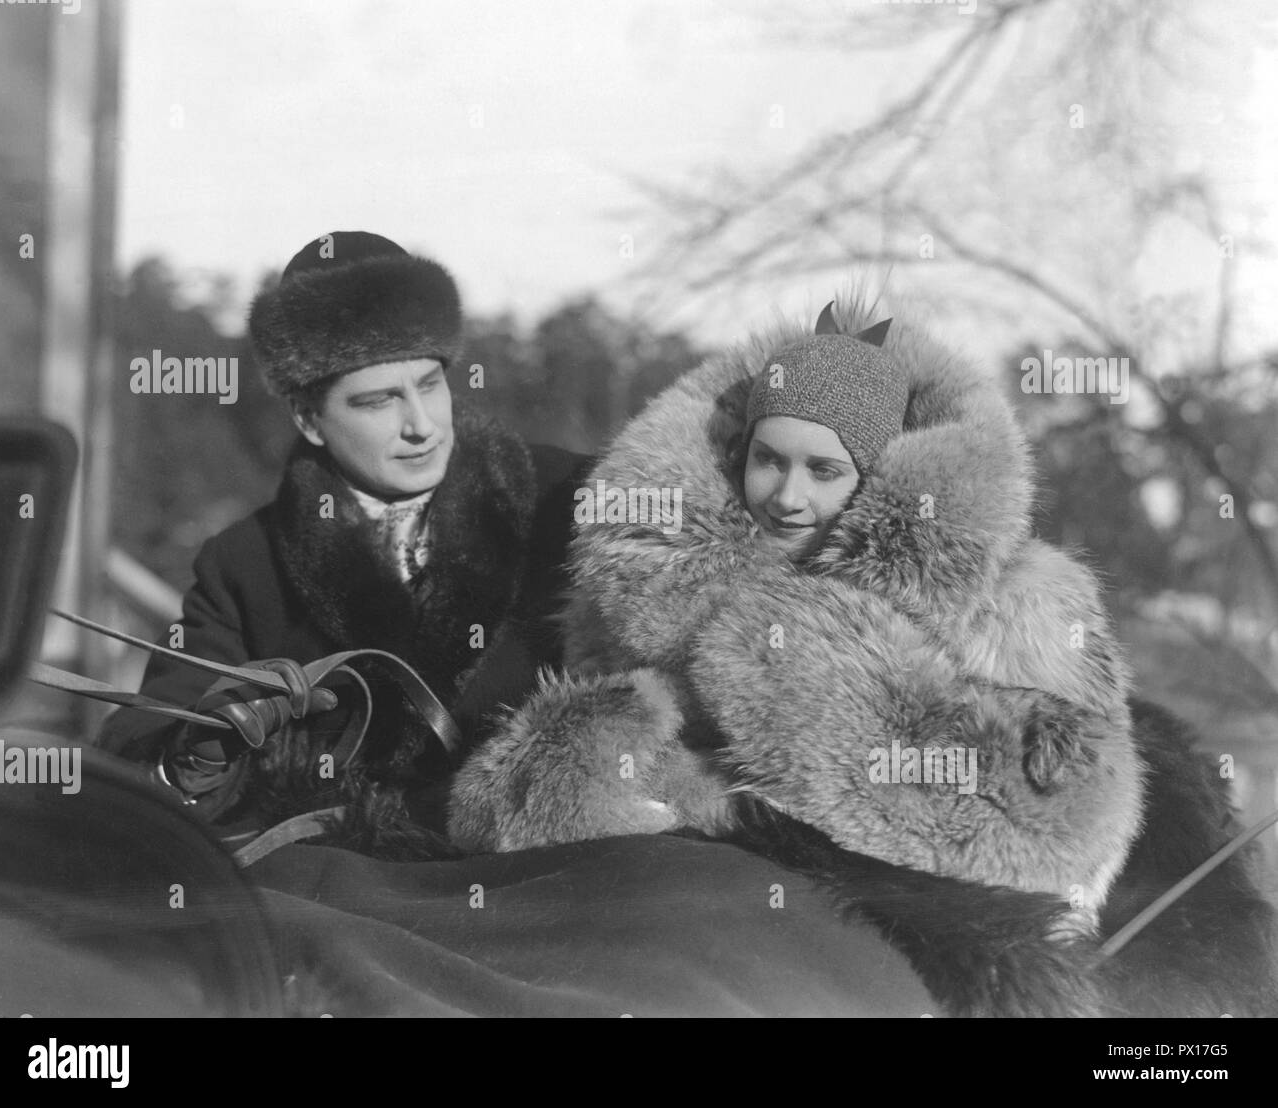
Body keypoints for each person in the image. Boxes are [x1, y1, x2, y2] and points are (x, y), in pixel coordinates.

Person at [446, 293, 1278, 1015]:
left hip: (921, 938)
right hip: (697, 926)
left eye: (823, 469)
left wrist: (779, 778)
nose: (787, 494)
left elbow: (1069, 829)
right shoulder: (643, 591)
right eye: (767, 460)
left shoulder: (1023, 599)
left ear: (878, 478)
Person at [99, 231, 590, 845]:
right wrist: (203, 746)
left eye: (430, 384)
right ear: (308, 419)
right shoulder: (244, 566)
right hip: (350, 902)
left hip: (553, 876)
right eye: (378, 400)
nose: (421, 425)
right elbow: (142, 750)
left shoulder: (569, 498)